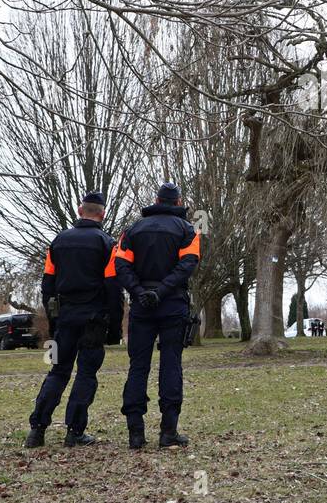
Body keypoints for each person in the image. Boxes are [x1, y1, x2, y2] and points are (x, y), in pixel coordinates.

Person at [25, 191, 124, 448]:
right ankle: (74, 431)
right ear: (103, 214)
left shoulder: (58, 242)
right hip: (94, 319)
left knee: (58, 371)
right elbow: (113, 288)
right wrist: (115, 327)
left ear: (80, 211)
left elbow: (47, 286)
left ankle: (37, 430)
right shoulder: (107, 244)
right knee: (86, 374)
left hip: (65, 319)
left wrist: (54, 321)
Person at [114, 182, 201, 449]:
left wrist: (140, 292)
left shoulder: (132, 230)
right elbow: (188, 264)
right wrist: (161, 291)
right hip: (172, 303)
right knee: (171, 363)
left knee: (138, 366)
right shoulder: (187, 230)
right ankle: (168, 431)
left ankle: (135, 433)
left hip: (142, 306)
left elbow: (121, 265)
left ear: (156, 200)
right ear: (178, 202)